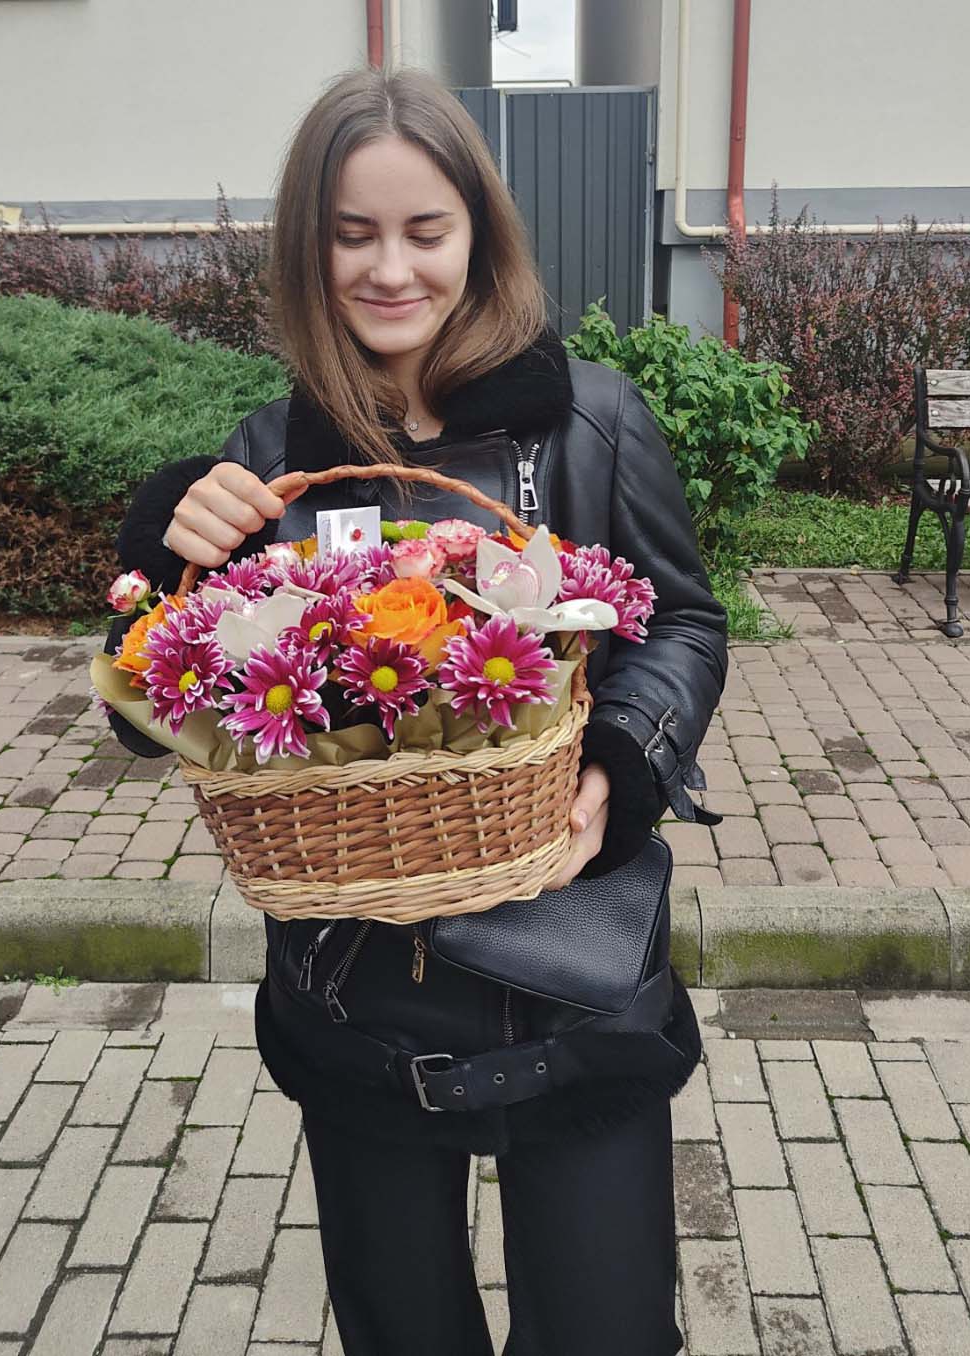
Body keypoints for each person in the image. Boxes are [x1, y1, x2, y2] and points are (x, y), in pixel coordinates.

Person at [109, 65, 727, 1356]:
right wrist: (161, 562)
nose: (391, 269)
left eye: (425, 230)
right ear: (310, 248)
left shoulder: (593, 424)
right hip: (357, 996)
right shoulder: (272, 455)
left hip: (579, 978)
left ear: (479, 238)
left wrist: (623, 763)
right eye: (353, 236)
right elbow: (150, 706)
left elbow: (680, 621)